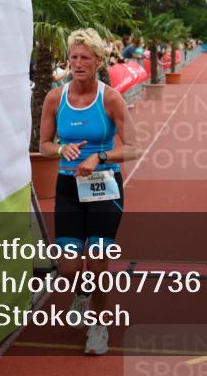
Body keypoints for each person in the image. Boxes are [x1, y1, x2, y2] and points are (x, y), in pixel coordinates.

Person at [37, 28, 137, 356]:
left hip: (104, 186)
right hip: (68, 187)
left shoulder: (110, 98)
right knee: (68, 268)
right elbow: (44, 145)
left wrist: (99, 156)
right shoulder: (55, 98)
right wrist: (60, 149)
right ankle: (82, 293)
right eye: (74, 57)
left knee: (96, 263)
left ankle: (99, 327)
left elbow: (133, 148)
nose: (78, 63)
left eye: (85, 58)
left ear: (98, 62)